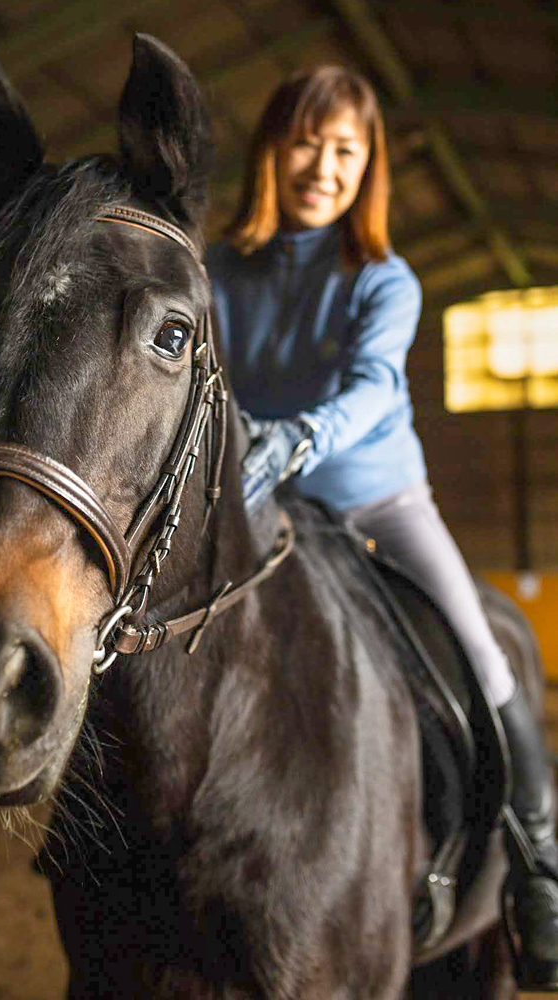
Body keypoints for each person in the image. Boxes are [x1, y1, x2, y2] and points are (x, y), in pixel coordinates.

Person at [206, 65, 558, 990]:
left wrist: (295, 438)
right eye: (306, 144)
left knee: (481, 653)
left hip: (377, 502)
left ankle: (541, 874)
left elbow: (372, 388)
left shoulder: (383, 278)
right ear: (271, 153)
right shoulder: (216, 272)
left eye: (346, 152)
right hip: (256, 504)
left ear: (367, 171)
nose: (323, 167)